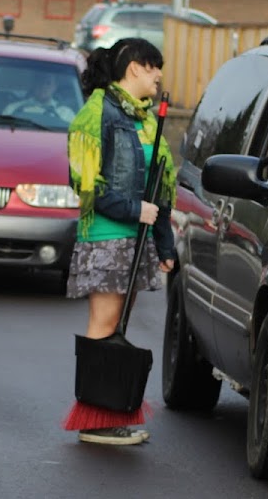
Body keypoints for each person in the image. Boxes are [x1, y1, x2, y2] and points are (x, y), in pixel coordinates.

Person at [61, 37, 177, 446]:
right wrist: (134, 211)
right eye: (153, 67)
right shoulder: (95, 116)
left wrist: (164, 245)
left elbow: (159, 187)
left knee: (118, 326)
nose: (158, 75)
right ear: (134, 69)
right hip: (107, 237)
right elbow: (87, 187)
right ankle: (95, 420)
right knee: (105, 325)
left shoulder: (145, 120)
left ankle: (108, 414)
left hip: (136, 237)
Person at [2, 74, 77, 123]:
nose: (43, 86)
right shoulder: (12, 109)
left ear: (55, 87)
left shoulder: (65, 113)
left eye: (48, 83)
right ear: (34, 84)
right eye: (40, 81)